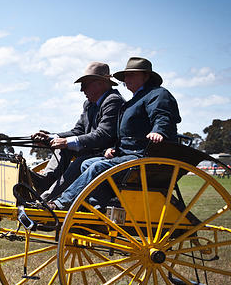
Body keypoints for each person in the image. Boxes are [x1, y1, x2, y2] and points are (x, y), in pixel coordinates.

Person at [49, 57, 181, 210]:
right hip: (130, 155)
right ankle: (96, 205)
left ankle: (61, 203)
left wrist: (159, 131)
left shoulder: (158, 94)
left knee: (97, 167)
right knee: (87, 163)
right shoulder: (134, 100)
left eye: (131, 74)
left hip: (146, 157)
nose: (126, 79)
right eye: (125, 75)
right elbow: (125, 134)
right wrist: (114, 149)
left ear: (146, 76)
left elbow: (163, 116)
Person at [31, 62, 124, 201]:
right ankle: (47, 180)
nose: (82, 90)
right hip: (91, 150)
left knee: (79, 160)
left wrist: (66, 142)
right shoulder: (89, 104)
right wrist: (52, 137)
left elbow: (103, 135)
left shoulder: (113, 101)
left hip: (106, 153)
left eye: (85, 85)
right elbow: (78, 130)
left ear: (100, 83)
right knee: (61, 147)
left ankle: (45, 199)